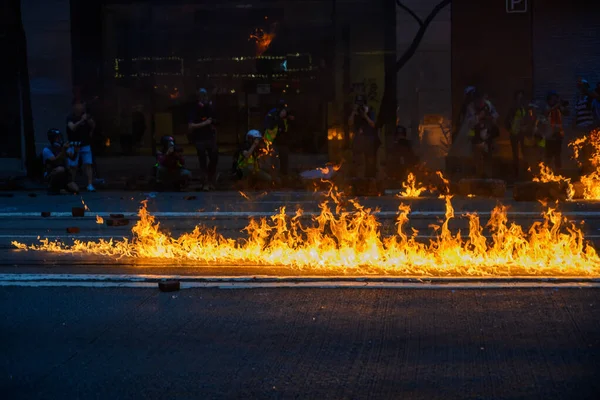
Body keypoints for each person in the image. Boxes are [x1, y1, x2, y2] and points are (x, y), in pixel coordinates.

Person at [188, 88, 218, 191]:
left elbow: (215, 120)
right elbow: (191, 126)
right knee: (202, 161)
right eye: (202, 96)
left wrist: (213, 123)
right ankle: (205, 183)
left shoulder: (209, 107)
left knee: (214, 158)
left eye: (205, 96)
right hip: (200, 138)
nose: (204, 98)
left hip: (210, 137)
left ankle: (210, 180)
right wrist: (204, 124)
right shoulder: (195, 109)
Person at [66, 102, 96, 192]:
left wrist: (90, 123)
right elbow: (72, 128)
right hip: (74, 144)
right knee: (73, 166)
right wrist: (81, 121)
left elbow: (93, 125)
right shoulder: (70, 117)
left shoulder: (86, 116)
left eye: (82, 106)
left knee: (88, 164)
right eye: (79, 105)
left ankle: (90, 184)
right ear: (74, 107)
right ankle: (72, 183)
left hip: (85, 144)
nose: (81, 107)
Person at [348, 95, 378, 178]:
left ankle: (369, 177)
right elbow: (350, 123)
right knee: (357, 159)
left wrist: (365, 115)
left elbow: (373, 124)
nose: (360, 106)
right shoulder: (355, 112)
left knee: (369, 160)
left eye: (361, 103)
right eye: (358, 103)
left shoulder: (370, 111)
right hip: (358, 138)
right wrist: (354, 112)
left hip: (368, 138)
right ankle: (357, 177)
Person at [42, 129, 78, 194]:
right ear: (52, 139)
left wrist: (76, 151)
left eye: (59, 137)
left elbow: (73, 158)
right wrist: (63, 150)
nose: (59, 139)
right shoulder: (47, 149)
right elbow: (54, 161)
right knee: (60, 169)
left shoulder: (62, 148)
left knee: (76, 189)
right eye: (57, 137)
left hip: (64, 173)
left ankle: (63, 187)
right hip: (51, 173)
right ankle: (52, 187)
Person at [469, 98, 499, 178]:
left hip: (487, 145)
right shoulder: (475, 121)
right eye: (481, 112)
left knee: (487, 161)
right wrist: (474, 140)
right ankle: (478, 177)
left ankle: (488, 178)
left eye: (484, 112)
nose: (482, 113)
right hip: (477, 144)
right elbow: (471, 133)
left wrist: (491, 140)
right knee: (478, 162)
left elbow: (495, 132)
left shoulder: (489, 121)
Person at [264, 99, 294, 176]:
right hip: (273, 141)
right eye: (283, 110)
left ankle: (283, 175)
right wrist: (279, 118)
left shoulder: (286, 116)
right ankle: (273, 176)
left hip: (283, 141)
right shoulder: (273, 114)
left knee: (284, 159)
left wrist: (289, 119)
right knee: (273, 160)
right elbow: (269, 126)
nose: (284, 112)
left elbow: (287, 128)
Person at [542, 91, 570, 171]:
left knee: (557, 155)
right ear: (549, 100)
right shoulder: (546, 107)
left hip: (558, 135)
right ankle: (546, 174)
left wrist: (561, 106)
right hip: (549, 136)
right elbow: (545, 113)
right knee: (548, 156)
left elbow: (567, 113)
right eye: (553, 99)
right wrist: (556, 106)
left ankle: (558, 174)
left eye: (556, 99)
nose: (554, 101)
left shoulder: (558, 109)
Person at [505, 90, 527, 177]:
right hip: (514, 133)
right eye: (518, 97)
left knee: (524, 150)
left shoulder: (522, 107)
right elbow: (507, 120)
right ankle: (516, 171)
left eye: (521, 97)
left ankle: (525, 170)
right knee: (515, 152)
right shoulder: (513, 107)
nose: (520, 98)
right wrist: (511, 129)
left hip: (521, 132)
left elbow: (524, 119)